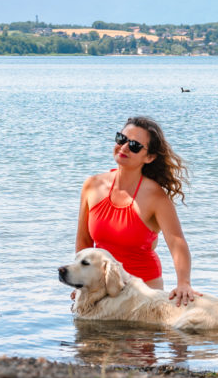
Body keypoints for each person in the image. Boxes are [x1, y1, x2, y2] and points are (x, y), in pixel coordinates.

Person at [75, 115, 198, 305]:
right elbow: (84, 240)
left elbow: (177, 242)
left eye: (134, 146)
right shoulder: (92, 185)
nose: (124, 147)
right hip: (100, 289)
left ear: (149, 157)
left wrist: (184, 283)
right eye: (121, 139)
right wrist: (80, 282)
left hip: (144, 293)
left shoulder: (156, 197)